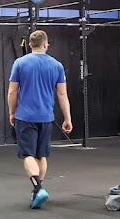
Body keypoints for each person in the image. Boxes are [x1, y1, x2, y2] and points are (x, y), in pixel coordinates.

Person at [7, 29, 72, 209]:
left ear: (30, 45)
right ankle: (37, 191)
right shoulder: (57, 65)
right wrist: (67, 118)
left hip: (25, 116)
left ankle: (38, 188)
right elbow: (62, 94)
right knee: (41, 155)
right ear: (46, 45)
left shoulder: (20, 63)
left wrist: (11, 112)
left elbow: (12, 91)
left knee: (28, 155)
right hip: (46, 117)